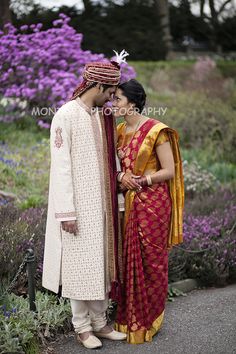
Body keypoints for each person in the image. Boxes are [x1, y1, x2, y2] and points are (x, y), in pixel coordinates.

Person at [42, 52, 129, 349]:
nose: (111, 99)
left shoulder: (103, 116)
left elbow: (113, 160)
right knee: (80, 265)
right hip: (77, 206)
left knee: (101, 264)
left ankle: (100, 323)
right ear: (96, 86)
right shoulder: (66, 114)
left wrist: (117, 201)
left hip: (103, 203)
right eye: (110, 93)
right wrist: (66, 212)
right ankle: (82, 328)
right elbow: (61, 166)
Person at [112, 79, 184, 344]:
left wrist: (142, 180)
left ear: (132, 102)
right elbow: (113, 168)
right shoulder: (119, 131)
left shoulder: (156, 130)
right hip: (129, 202)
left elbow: (169, 171)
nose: (113, 104)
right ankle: (129, 319)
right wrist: (121, 176)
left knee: (152, 262)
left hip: (153, 203)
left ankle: (149, 320)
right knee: (129, 261)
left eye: (117, 99)